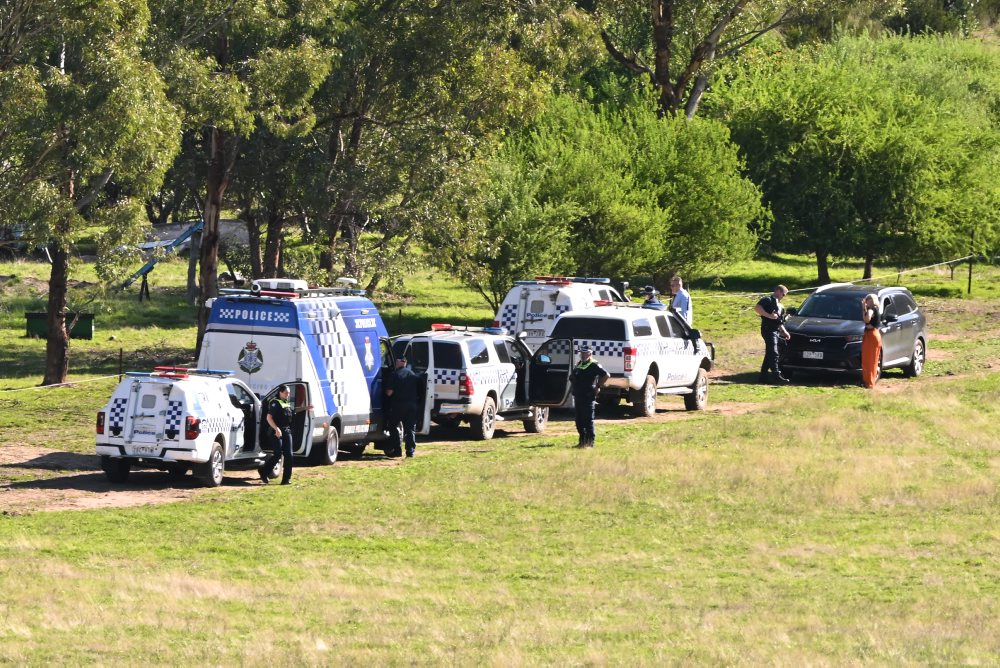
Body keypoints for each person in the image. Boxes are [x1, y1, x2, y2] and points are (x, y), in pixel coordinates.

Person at [570, 346, 609, 448]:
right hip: (578, 395)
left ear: (590, 354)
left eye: (585, 353)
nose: (583, 355)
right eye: (582, 353)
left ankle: (590, 443)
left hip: (588, 395)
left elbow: (606, 375)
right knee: (579, 421)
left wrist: (598, 386)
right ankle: (582, 441)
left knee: (588, 420)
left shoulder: (594, 365)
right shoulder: (580, 364)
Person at [385, 355, 421, 457]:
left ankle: (397, 450)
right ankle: (410, 451)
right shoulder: (413, 375)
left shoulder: (395, 374)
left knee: (393, 426)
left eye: (396, 362)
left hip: (399, 405)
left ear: (399, 362)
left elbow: (389, 393)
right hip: (412, 406)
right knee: (410, 428)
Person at [754, 285, 791, 384]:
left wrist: (785, 332)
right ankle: (776, 375)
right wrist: (769, 316)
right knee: (774, 352)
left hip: (776, 331)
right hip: (767, 329)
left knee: (770, 353)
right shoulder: (768, 300)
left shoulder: (780, 306)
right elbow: (757, 308)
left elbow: (779, 322)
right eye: (783, 294)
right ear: (778, 291)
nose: (783, 296)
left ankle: (763, 376)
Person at [260, 384, 294, 485]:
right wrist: (276, 429)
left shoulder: (286, 403)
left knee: (289, 455)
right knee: (278, 454)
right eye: (286, 393)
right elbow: (268, 418)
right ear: (280, 392)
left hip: (286, 431)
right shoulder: (275, 403)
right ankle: (264, 472)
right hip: (276, 431)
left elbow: (292, 412)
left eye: (289, 393)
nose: (288, 395)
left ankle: (286, 480)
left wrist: (306, 408)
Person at [860, 293, 882, 389]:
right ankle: (868, 381)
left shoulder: (871, 309)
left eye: (866, 301)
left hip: (871, 334)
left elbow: (866, 319)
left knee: (869, 359)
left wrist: (863, 308)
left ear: (869, 301)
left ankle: (869, 382)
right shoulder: (877, 309)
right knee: (870, 358)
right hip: (874, 334)